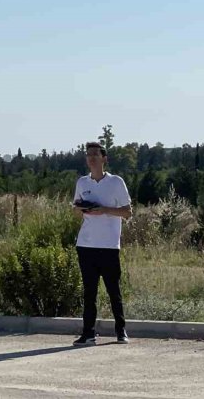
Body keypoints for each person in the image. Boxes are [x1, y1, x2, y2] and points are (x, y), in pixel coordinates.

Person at [72, 141, 133, 346]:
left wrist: (105, 209)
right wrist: (83, 208)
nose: (91, 158)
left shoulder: (116, 182)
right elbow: (75, 207)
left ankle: (121, 330)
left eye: (96, 154)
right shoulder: (82, 183)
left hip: (108, 245)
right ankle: (88, 332)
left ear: (104, 158)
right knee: (89, 291)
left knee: (113, 290)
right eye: (88, 155)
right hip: (86, 244)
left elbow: (127, 212)